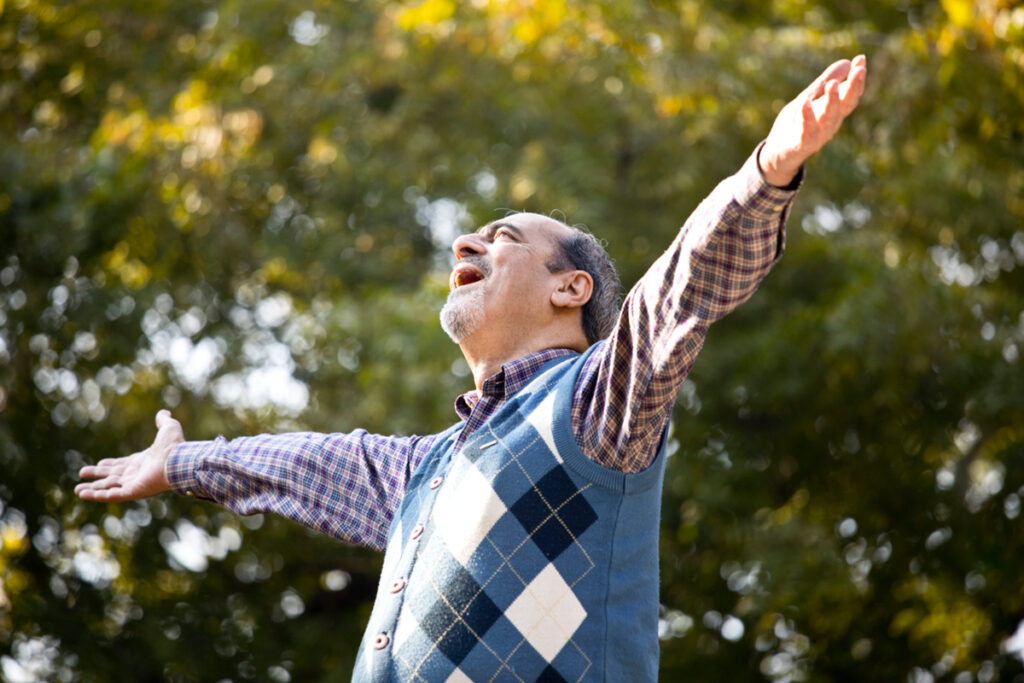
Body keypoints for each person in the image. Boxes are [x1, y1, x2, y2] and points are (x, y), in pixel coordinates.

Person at [76, 56, 868, 681]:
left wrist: (766, 173)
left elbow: (677, 295)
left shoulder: (596, 406)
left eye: (503, 237)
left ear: (571, 288)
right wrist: (179, 461)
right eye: (472, 238)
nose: (465, 244)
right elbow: (297, 463)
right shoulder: (426, 468)